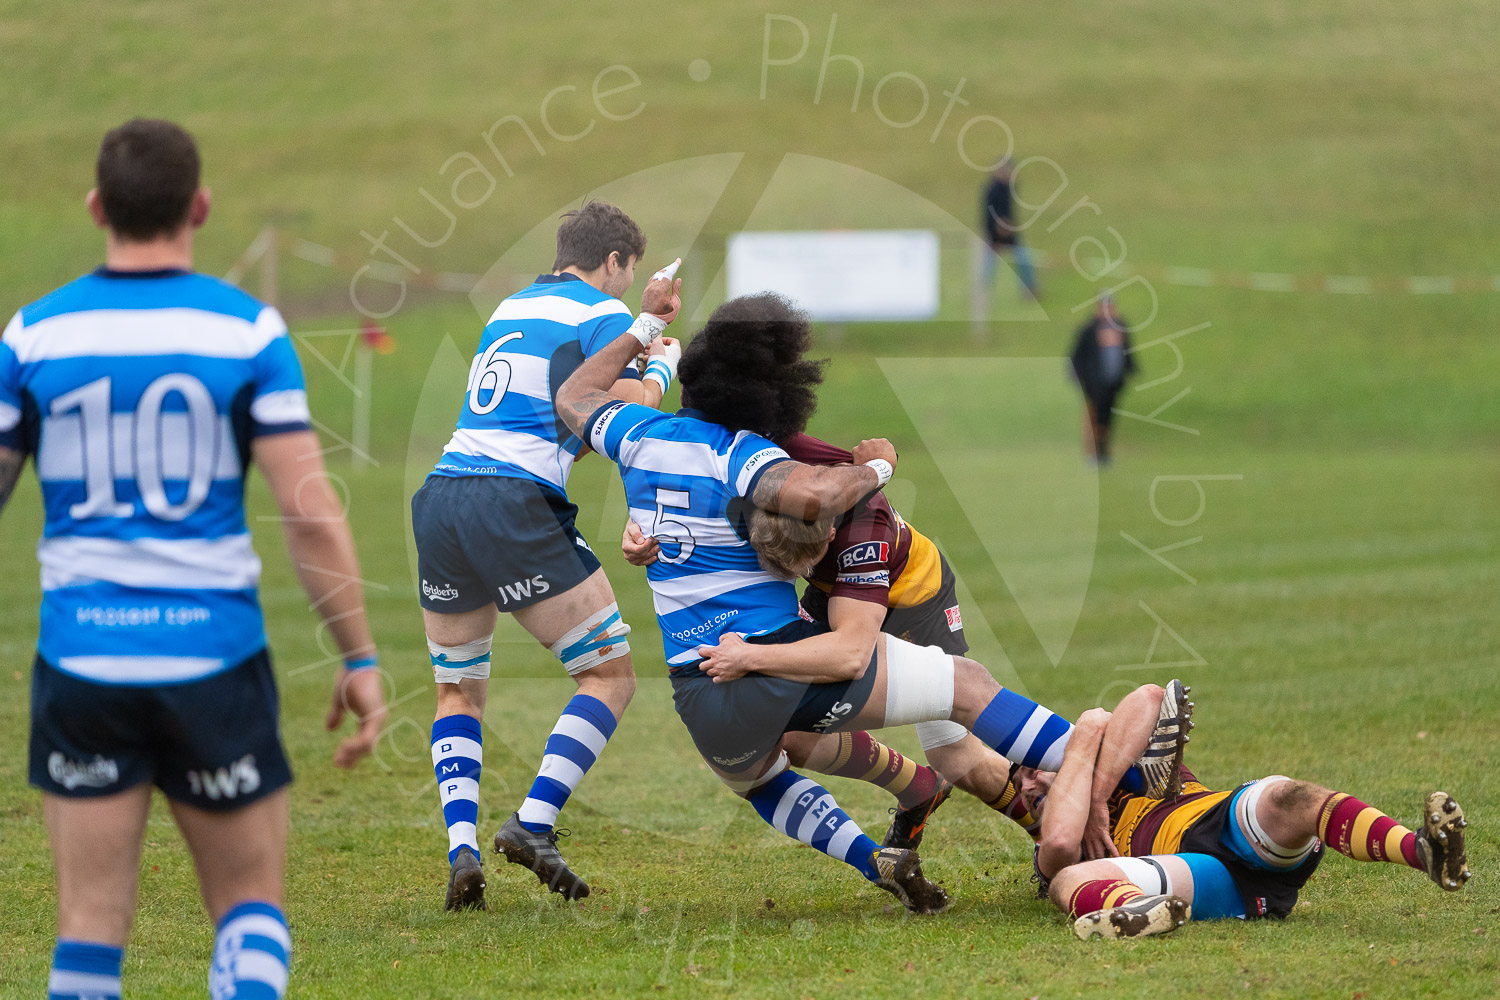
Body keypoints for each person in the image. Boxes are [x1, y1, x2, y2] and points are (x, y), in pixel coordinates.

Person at [555, 293, 1175, 914]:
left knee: (765, 778)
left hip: (697, 695)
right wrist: (876, 468)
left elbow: (574, 399)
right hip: (777, 657)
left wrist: (647, 327)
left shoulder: (637, 433)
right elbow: (817, 502)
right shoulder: (743, 456)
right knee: (967, 686)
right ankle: (1117, 778)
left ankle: (880, 852)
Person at [0, 118, 387, 1000]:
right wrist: (360, 655)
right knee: (250, 913)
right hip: (213, 661)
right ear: (200, 207)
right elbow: (309, 512)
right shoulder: (246, 331)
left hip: (82, 661)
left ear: (97, 206)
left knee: (89, 931)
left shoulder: (33, 336)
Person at [623, 440, 1190, 849]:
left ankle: (1127, 781)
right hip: (835, 598)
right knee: (793, 737)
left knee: (952, 750)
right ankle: (1042, 823)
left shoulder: (858, 529)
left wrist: (748, 656)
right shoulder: (756, 468)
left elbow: (849, 654)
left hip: (908, 597)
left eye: (805, 555)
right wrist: (644, 533)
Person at [411, 200, 683, 910]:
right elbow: (618, 416)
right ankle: (533, 823)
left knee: (457, 687)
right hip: (512, 500)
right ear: (616, 262)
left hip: (443, 496)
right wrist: (661, 369)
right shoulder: (602, 314)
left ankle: (461, 851)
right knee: (609, 676)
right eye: (624, 272)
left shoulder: (511, 304)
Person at [1009, 684, 1472, 940]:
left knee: (1285, 795)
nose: (1029, 785)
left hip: (1222, 823)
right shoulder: (1053, 838)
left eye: (1033, 771)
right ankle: (1137, 913)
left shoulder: (1127, 770)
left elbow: (1150, 697)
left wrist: (1095, 791)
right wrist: (1085, 736)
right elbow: (1058, 849)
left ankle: (1423, 851)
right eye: (1023, 787)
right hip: (1199, 873)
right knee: (1069, 881)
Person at [1069, 294, 1136, 465]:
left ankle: (1104, 453)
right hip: (1093, 385)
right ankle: (1093, 454)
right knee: (1093, 419)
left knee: (1107, 419)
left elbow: (1127, 353)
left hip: (1113, 383)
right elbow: (1077, 356)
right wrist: (1078, 377)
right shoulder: (1089, 329)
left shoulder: (1121, 328)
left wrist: (1131, 370)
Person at [980, 158, 1039, 301]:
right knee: (989, 265)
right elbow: (990, 213)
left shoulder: (1008, 188)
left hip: (1009, 233)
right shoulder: (993, 189)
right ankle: (982, 293)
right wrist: (999, 228)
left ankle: (1029, 289)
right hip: (995, 234)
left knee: (1023, 258)